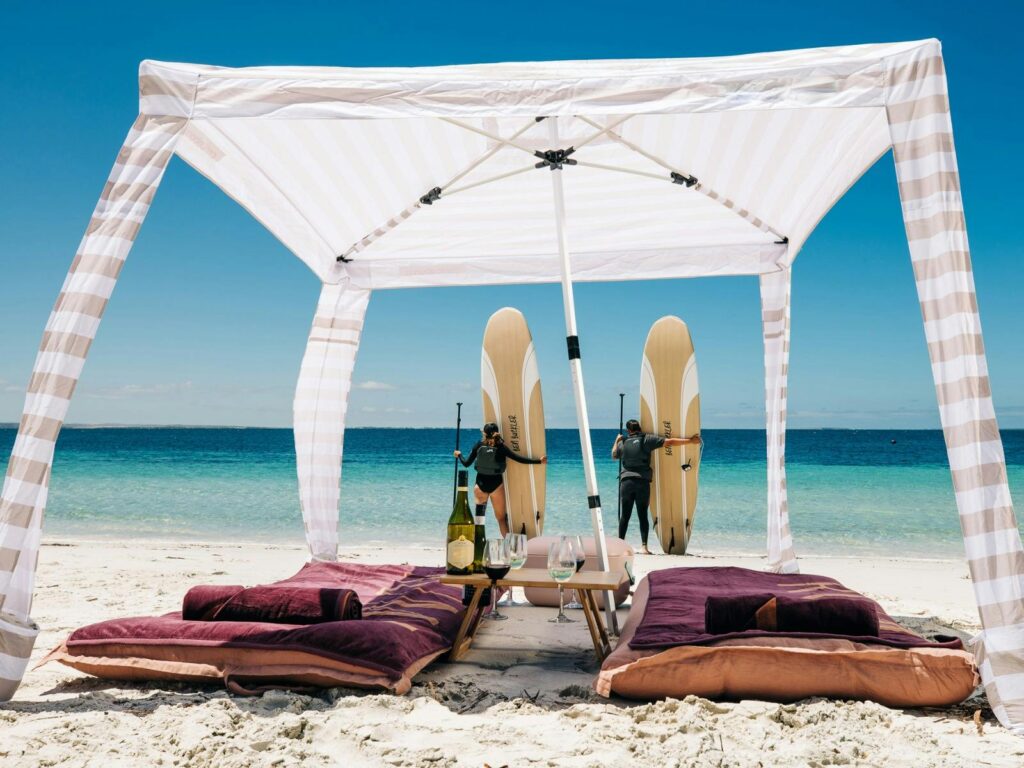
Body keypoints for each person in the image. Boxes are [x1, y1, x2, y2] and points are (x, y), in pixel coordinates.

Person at [612, 419, 701, 554]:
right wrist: (690, 441)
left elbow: (613, 455)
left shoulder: (623, 443)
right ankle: (644, 547)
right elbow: (669, 442)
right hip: (642, 482)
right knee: (642, 515)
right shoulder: (646, 440)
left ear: (628, 431)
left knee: (625, 516)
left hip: (626, 483)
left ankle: (620, 547)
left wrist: (617, 440)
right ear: (640, 428)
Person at [455, 422, 547, 537]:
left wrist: (459, 455)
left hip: (480, 487)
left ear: (484, 433)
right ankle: (509, 548)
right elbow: (518, 458)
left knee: (479, 521)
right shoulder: (501, 447)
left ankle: (477, 547)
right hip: (496, 487)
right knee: (501, 520)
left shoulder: (478, 445)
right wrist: (538, 461)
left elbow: (467, 464)